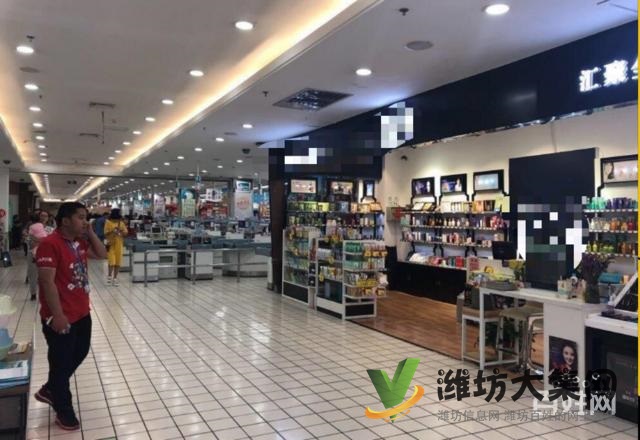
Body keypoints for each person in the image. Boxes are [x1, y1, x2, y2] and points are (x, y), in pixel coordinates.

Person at [33, 202, 107, 430]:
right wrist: (57, 315)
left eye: (86, 218)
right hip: (60, 315)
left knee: (80, 352)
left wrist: (91, 232)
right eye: (81, 217)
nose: (85, 221)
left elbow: (102, 254)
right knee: (61, 362)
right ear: (65, 221)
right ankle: (63, 409)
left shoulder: (79, 242)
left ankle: (50, 388)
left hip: (82, 311)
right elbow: (46, 282)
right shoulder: (50, 244)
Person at [27, 211, 53, 300]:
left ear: (48, 218)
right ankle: (33, 293)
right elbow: (30, 243)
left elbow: (51, 242)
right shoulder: (32, 227)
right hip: (33, 254)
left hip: (47, 254)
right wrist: (42, 241)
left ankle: (45, 294)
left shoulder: (51, 229)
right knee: (33, 274)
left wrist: (38, 241)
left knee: (46, 276)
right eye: (41, 215)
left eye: (45, 216)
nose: (43, 217)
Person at [104, 208, 127, 286]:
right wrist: (113, 231)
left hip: (119, 245)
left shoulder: (121, 223)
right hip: (111, 245)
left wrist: (121, 231)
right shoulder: (108, 222)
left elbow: (125, 233)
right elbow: (105, 233)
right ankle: (109, 277)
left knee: (118, 262)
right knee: (111, 262)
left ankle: (115, 278)